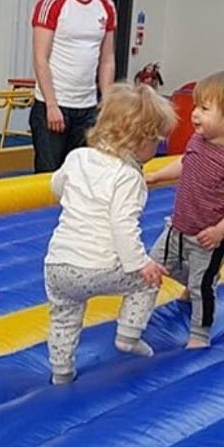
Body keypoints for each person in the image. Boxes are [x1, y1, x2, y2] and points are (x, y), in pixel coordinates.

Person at [45, 83, 176, 385]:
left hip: (57, 267)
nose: (156, 148)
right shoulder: (128, 176)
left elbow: (57, 186)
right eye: (155, 140)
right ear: (138, 140)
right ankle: (128, 337)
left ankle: (61, 371)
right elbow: (123, 226)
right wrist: (142, 264)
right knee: (147, 282)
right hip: (97, 267)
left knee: (64, 314)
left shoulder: (77, 157)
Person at [146, 71, 224, 349]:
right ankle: (153, 305)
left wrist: (221, 230)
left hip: (208, 239)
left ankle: (200, 332)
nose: (194, 114)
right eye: (196, 106)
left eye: (204, 109)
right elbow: (186, 164)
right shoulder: (198, 141)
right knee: (154, 265)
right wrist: (157, 176)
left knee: (202, 287)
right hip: (177, 226)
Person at [29, 0, 116, 173]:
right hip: (56, 103)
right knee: (49, 173)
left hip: (87, 106)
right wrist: (51, 105)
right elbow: (40, 58)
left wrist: (107, 100)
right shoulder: (53, 2)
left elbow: (107, 59)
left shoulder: (106, 5)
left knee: (82, 173)